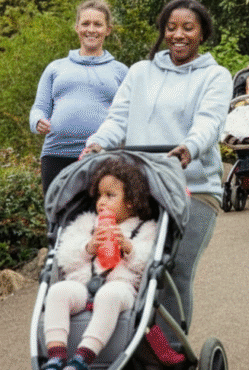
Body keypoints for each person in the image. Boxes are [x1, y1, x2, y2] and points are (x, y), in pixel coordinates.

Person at [83, 0, 232, 347]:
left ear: (202, 34)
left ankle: (171, 352)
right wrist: (97, 143)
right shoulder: (140, 72)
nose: (179, 35)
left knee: (174, 269)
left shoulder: (215, 76)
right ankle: (129, 345)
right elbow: (118, 119)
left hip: (193, 187)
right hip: (142, 188)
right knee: (129, 267)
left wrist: (189, 147)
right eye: (171, 28)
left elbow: (209, 122)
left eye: (188, 28)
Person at [41, 156, 157, 370]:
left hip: (121, 287)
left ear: (130, 202)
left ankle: (82, 358)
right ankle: (56, 357)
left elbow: (148, 263)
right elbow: (65, 257)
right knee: (57, 291)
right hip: (83, 286)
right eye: (99, 196)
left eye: (110, 195)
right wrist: (88, 247)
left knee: (109, 295)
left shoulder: (144, 229)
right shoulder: (86, 223)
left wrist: (129, 248)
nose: (101, 202)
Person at [30, 0, 129, 196]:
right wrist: (37, 121)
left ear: (108, 30)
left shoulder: (121, 71)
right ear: (77, 28)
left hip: (103, 155)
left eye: (97, 24)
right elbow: (39, 108)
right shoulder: (55, 68)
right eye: (85, 24)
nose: (91, 29)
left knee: (101, 212)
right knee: (57, 212)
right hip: (56, 154)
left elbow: (129, 115)